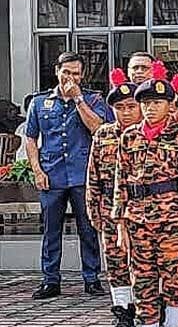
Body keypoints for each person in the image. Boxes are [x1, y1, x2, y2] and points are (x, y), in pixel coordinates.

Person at [112, 63, 178, 327]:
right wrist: (120, 223)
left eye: (157, 103)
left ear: (169, 105)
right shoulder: (129, 137)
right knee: (143, 283)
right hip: (137, 220)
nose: (150, 108)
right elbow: (122, 182)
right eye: (145, 103)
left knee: (175, 282)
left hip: (172, 220)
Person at [24, 51, 114, 300]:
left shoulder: (93, 100)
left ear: (82, 75)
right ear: (57, 71)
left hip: (82, 175)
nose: (71, 77)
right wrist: (37, 170)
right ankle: (50, 279)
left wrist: (78, 100)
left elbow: (98, 129)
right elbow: (30, 137)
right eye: (66, 72)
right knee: (51, 229)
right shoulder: (40, 102)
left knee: (88, 228)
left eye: (76, 73)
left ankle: (91, 278)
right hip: (51, 175)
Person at [86, 69, 141, 327]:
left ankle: (146, 315)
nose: (126, 112)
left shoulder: (148, 137)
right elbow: (93, 176)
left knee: (141, 266)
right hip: (109, 210)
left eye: (131, 106)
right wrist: (92, 208)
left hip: (142, 211)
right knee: (116, 265)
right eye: (120, 107)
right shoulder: (103, 135)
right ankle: (123, 314)